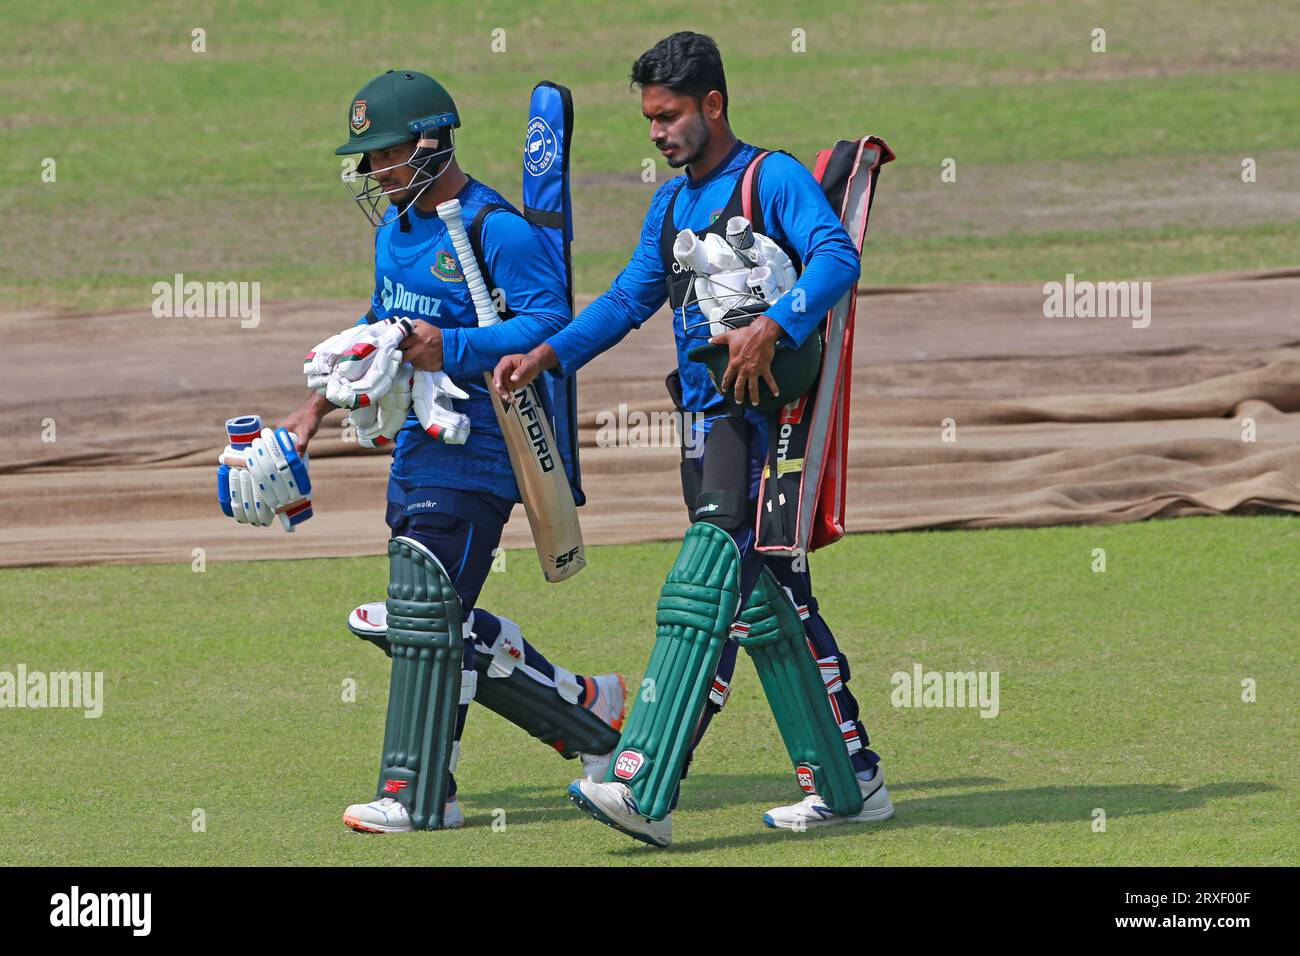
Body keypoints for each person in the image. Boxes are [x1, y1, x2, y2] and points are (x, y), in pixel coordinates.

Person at [493, 34, 892, 847]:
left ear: (713, 105)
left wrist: (776, 325)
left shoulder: (768, 178)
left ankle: (646, 784)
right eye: (648, 119)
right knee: (769, 600)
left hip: (758, 422)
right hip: (702, 422)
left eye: (669, 116)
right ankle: (851, 782)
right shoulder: (670, 205)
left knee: (701, 591)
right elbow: (626, 300)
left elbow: (835, 255)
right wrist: (546, 354)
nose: (656, 132)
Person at [275, 69, 625, 832]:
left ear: (432, 145)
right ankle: (590, 713)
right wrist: (310, 411)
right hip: (415, 447)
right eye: (365, 158)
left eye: (385, 154)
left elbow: (549, 324)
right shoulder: (394, 232)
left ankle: (420, 793)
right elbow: (380, 329)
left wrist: (456, 344)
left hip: (486, 451)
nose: (371, 172)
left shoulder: (496, 229)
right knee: (439, 619)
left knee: (427, 610)